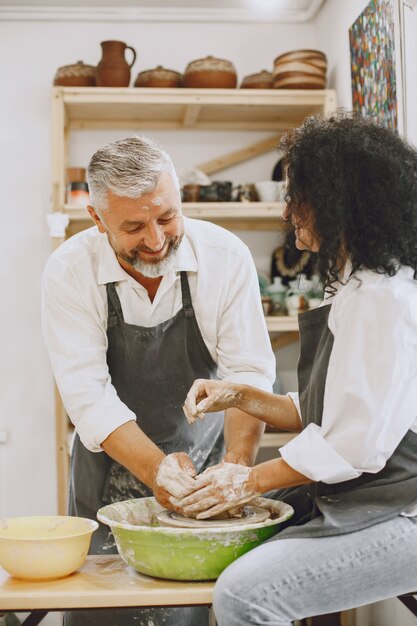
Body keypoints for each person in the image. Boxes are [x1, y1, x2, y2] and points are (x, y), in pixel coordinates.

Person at [180, 111, 417, 625]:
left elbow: (354, 444)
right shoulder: (354, 287)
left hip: (403, 507)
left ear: (340, 201)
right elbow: (325, 414)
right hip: (369, 491)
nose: (288, 213)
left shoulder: (386, 299)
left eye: (297, 197)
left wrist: (244, 479)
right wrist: (240, 396)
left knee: (243, 596)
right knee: (234, 537)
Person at [41, 136, 275, 626]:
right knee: (101, 608)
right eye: (133, 226)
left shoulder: (224, 257)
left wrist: (234, 470)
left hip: (206, 469)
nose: (155, 239)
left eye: (166, 217)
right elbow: (88, 397)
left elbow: (246, 375)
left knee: (191, 609)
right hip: (107, 474)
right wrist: (156, 472)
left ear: (179, 199)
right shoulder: (69, 270)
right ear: (97, 220)